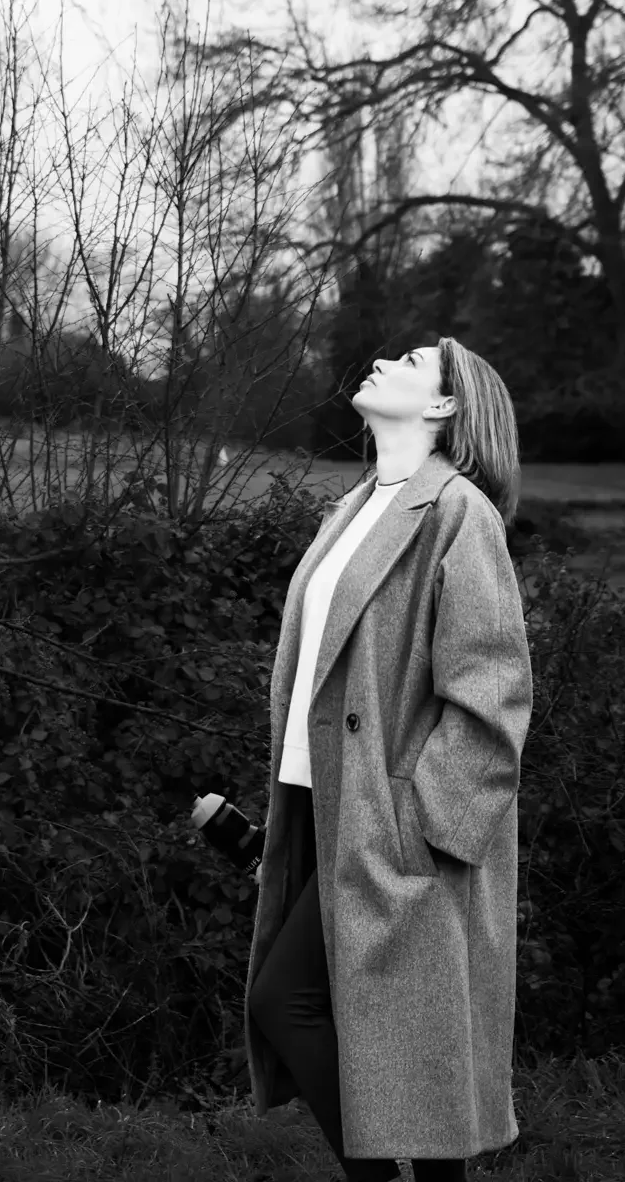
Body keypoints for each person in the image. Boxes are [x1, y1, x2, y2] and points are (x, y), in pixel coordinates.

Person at [244, 339, 534, 1182]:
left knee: (295, 1005)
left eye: (411, 361)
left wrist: (421, 825)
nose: (382, 362)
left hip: (394, 824)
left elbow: (493, 689)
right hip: (324, 803)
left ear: (442, 408)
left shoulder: (455, 512)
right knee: (389, 1033)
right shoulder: (359, 505)